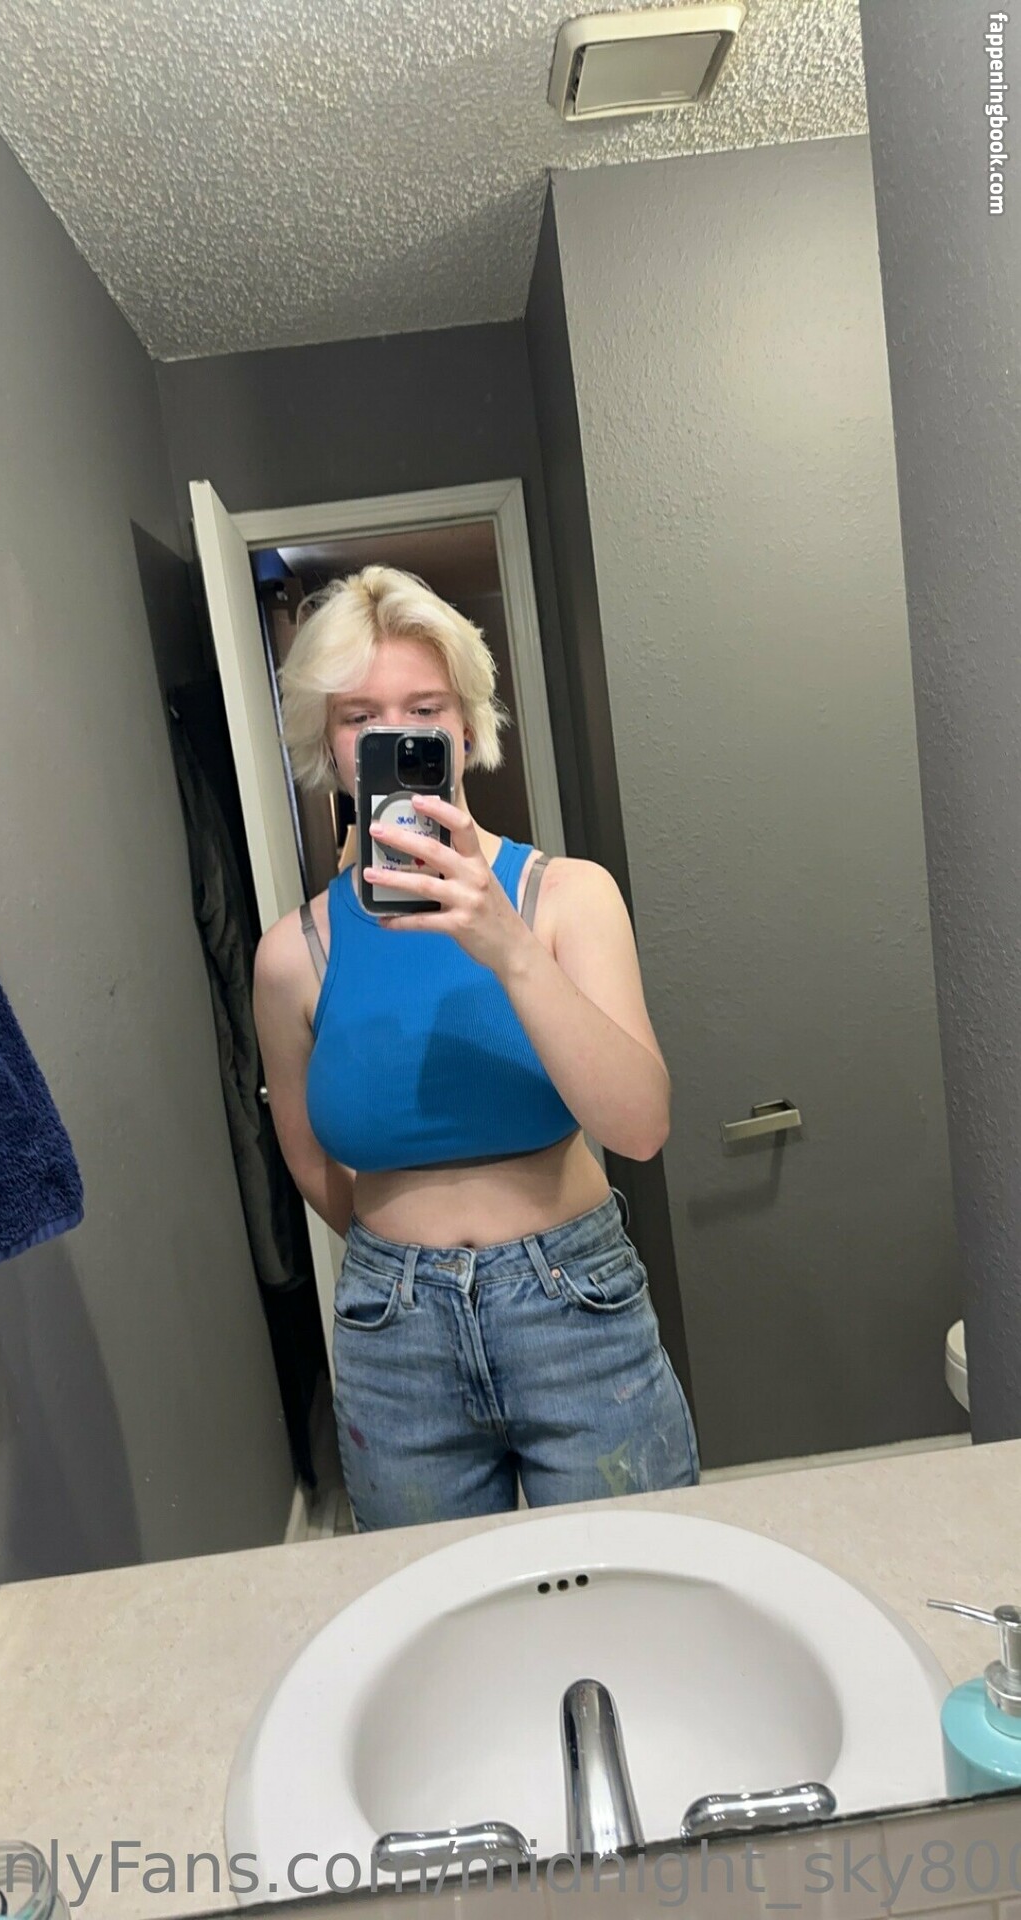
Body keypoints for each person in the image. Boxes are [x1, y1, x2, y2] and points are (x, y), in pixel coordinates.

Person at [253, 565, 698, 1531]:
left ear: (464, 726)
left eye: (424, 708)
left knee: (636, 1584)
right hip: (391, 1335)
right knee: (439, 1606)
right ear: (328, 742)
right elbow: (311, 1162)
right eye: (360, 716)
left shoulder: (567, 896)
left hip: (575, 1303)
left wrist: (508, 947)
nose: (396, 735)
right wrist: (407, 1261)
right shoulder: (294, 954)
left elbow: (640, 1126)